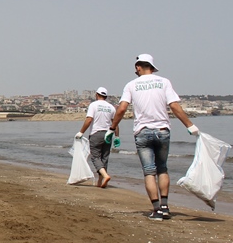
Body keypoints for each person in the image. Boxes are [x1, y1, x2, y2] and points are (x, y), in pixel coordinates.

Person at [108, 54, 199, 221]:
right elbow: (174, 106)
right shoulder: (164, 82)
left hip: (142, 131)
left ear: (138, 67)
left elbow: (121, 109)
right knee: (162, 168)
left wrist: (112, 128)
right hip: (162, 130)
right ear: (152, 66)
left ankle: (156, 209)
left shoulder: (131, 85)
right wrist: (190, 125)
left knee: (149, 172)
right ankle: (165, 207)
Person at [76, 87, 118, 188]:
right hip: (108, 134)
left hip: (96, 134)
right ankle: (100, 182)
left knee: (95, 157)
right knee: (104, 157)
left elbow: (89, 120)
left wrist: (81, 132)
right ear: (106, 96)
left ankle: (105, 176)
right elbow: (115, 123)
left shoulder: (93, 105)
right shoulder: (111, 107)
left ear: (96, 94)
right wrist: (117, 136)